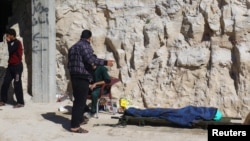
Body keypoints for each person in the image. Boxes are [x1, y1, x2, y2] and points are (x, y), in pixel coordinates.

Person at [67, 29, 114, 133]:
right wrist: (105, 62)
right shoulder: (84, 46)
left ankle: (79, 120)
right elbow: (91, 59)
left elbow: (69, 64)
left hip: (74, 76)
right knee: (80, 102)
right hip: (82, 77)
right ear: (89, 38)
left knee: (78, 100)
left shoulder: (73, 47)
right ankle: (75, 126)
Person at [0, 28, 24, 108]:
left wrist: (8, 42)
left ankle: (20, 102)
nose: (7, 37)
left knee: (17, 84)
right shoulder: (11, 42)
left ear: (12, 36)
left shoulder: (17, 43)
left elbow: (11, 50)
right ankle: (3, 100)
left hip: (17, 67)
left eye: (8, 35)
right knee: (5, 83)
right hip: (10, 67)